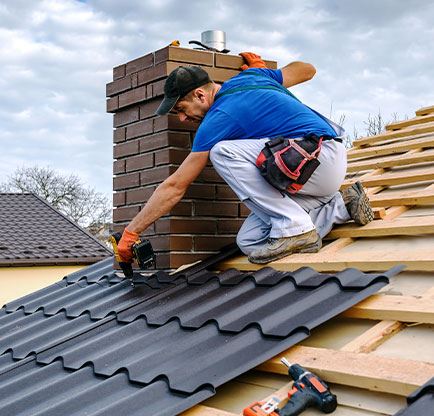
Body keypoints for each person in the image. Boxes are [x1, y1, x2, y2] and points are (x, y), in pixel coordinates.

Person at [117, 52, 373, 264]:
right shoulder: (254, 76)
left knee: (222, 152)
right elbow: (308, 69)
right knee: (250, 241)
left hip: (318, 157)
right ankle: (342, 206)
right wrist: (268, 76)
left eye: (181, 110)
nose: (183, 119)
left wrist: (132, 232)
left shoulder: (218, 118)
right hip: (313, 174)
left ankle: (296, 227)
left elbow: (175, 186)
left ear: (200, 95)